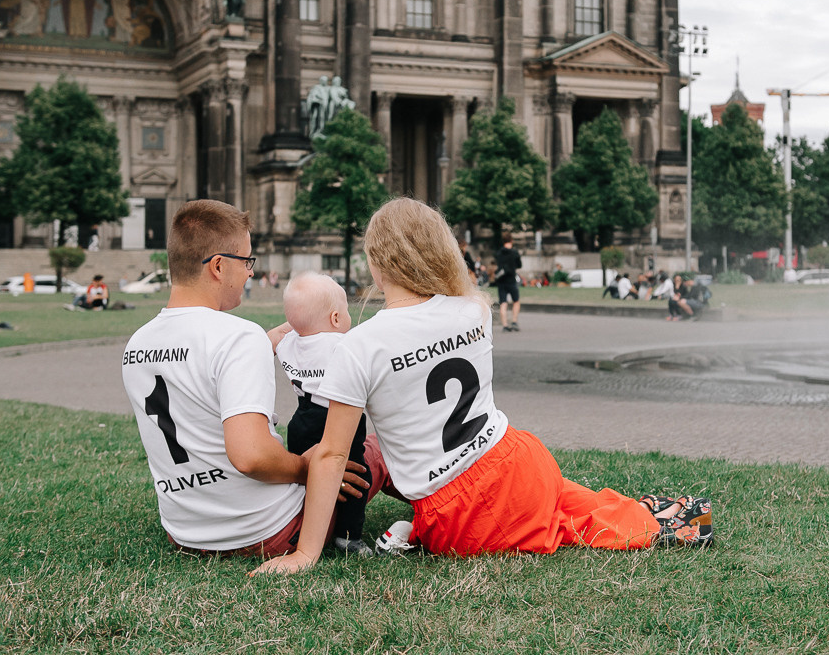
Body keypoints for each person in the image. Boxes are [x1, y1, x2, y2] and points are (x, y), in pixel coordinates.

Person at [250, 198, 713, 576]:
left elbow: (331, 455)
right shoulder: (475, 309)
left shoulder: (360, 346)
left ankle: (671, 524)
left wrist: (306, 554)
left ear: (376, 262)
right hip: (518, 458)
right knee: (570, 506)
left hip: (462, 511)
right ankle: (669, 517)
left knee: (367, 452)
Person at [121, 199, 378, 557]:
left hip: (185, 532)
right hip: (268, 529)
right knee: (373, 450)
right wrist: (307, 467)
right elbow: (252, 457)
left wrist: (292, 329)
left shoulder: (138, 345)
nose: (251, 273)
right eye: (247, 261)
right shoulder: (237, 336)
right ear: (218, 266)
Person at [270, 272, 373, 557]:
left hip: (302, 419)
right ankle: (348, 536)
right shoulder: (343, 346)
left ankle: (307, 518)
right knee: (355, 475)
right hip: (337, 416)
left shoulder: (288, 342)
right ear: (336, 319)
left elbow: (272, 340)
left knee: (307, 476)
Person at [493, 231, 522, 332]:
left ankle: (505, 325)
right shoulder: (514, 252)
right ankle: (514, 322)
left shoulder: (499, 253)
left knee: (503, 303)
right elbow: (519, 265)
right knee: (516, 301)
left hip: (501, 281)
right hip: (511, 280)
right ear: (511, 240)